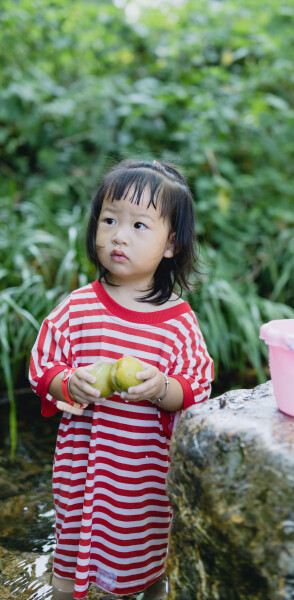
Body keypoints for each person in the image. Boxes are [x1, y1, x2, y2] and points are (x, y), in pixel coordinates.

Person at [29, 159, 214, 600]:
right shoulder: (77, 308)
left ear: (170, 244)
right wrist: (67, 383)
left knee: (143, 564)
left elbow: (197, 384)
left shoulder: (177, 322)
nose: (119, 234)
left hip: (140, 480)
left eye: (138, 225)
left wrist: (162, 388)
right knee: (71, 561)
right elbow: (43, 364)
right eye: (109, 220)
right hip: (81, 471)